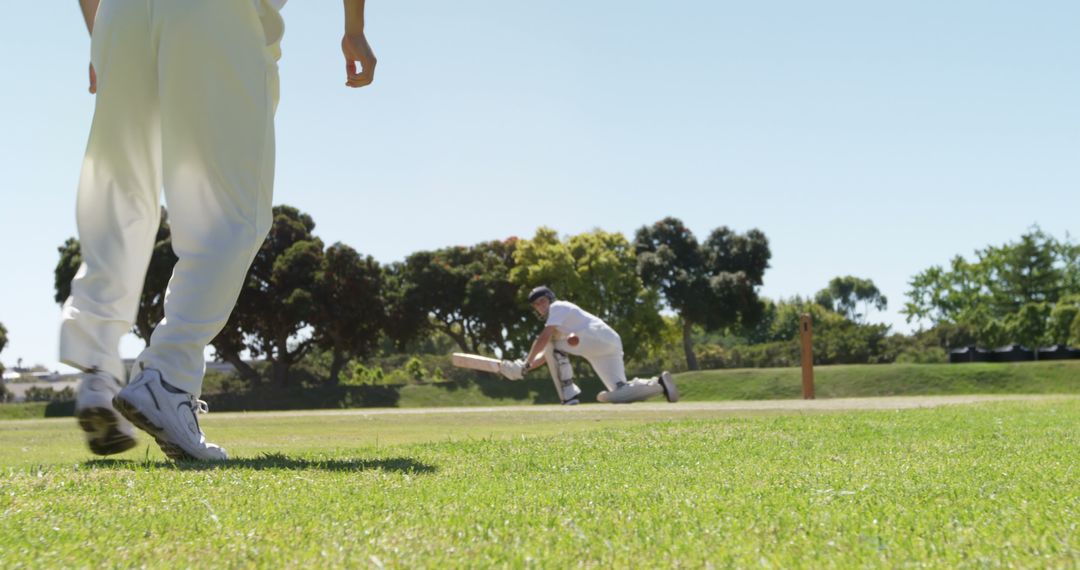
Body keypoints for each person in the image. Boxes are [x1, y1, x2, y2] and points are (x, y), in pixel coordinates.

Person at [63, 0, 376, 461]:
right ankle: (167, 376)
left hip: (120, 13)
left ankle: (96, 367)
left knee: (119, 188)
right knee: (232, 213)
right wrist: (354, 28)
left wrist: (100, 38)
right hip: (216, 14)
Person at [502, 286, 679, 405]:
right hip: (608, 344)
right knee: (618, 392)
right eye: (536, 305)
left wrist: (525, 363)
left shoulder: (557, 307)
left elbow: (543, 340)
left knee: (551, 343)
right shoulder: (558, 320)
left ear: (550, 299)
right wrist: (527, 368)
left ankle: (569, 396)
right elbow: (547, 356)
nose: (540, 306)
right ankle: (660, 384)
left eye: (542, 301)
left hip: (595, 336)